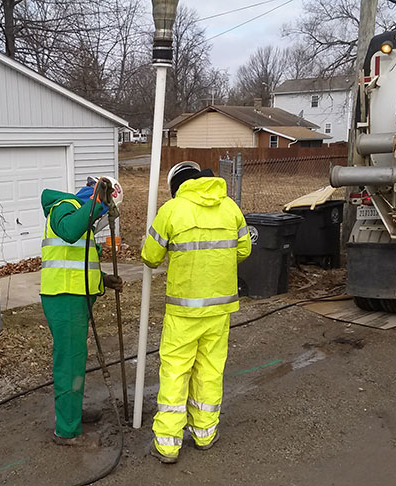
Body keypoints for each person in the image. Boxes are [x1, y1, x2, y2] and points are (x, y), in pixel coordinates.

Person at [141, 161, 251, 463]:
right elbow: (244, 250)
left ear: (176, 186)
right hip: (220, 309)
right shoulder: (231, 208)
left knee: (176, 371)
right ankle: (205, 433)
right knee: (210, 371)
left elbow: (150, 257)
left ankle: (167, 444)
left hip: (184, 311)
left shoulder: (172, 210)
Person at [40, 176, 123, 446]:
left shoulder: (81, 216)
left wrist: (104, 280)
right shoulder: (63, 207)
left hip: (75, 298)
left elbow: (82, 263)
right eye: (100, 213)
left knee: (75, 361)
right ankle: (66, 431)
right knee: (70, 363)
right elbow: (68, 230)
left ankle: (72, 413)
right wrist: (98, 202)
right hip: (64, 299)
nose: (100, 220)